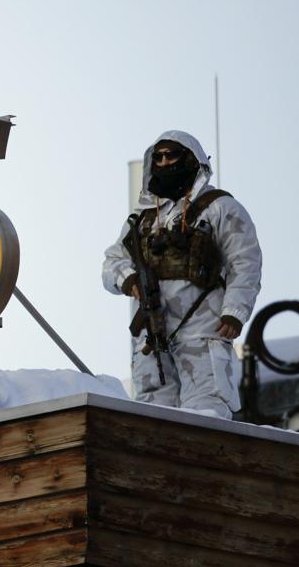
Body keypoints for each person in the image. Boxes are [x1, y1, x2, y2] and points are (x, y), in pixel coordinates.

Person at [103, 131, 262, 419]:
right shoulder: (144, 219)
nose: (165, 162)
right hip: (152, 334)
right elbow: (112, 261)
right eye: (159, 157)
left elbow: (245, 260)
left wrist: (235, 311)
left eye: (172, 155)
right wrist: (128, 279)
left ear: (190, 159)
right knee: (152, 416)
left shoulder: (219, 208)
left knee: (206, 412)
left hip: (203, 330)